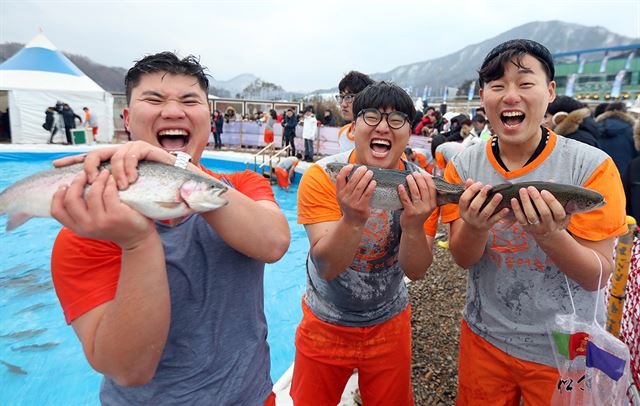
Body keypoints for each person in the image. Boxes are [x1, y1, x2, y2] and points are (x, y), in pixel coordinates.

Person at [48, 52, 290, 405]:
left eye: (190, 101)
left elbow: (273, 243)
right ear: (127, 118)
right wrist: (136, 241)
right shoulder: (89, 225)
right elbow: (128, 369)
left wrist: (181, 169)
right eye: (154, 99)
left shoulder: (244, 184)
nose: (174, 111)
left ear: (209, 117)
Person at [441, 39, 627, 404]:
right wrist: (475, 225)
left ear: (550, 92)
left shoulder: (593, 168)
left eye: (525, 83)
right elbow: (463, 259)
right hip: (485, 336)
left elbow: (599, 275)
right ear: (483, 96)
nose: (511, 95)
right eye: (498, 86)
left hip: (568, 345)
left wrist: (551, 236)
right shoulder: (462, 168)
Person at [290, 81, 439, 405]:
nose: (383, 126)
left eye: (397, 119)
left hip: (390, 321)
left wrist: (413, 225)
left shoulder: (422, 186)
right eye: (371, 116)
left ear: (409, 133)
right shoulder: (324, 176)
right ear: (353, 126)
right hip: (324, 320)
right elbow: (327, 266)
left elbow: (417, 270)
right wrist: (353, 219)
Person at [595, 101, 638, 176]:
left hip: (597, 173)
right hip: (624, 174)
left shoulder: (594, 128)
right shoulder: (631, 130)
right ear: (625, 112)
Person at [335, 70, 374, 152]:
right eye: (342, 97)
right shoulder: (343, 132)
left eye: (349, 97)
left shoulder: (379, 137)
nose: (343, 104)